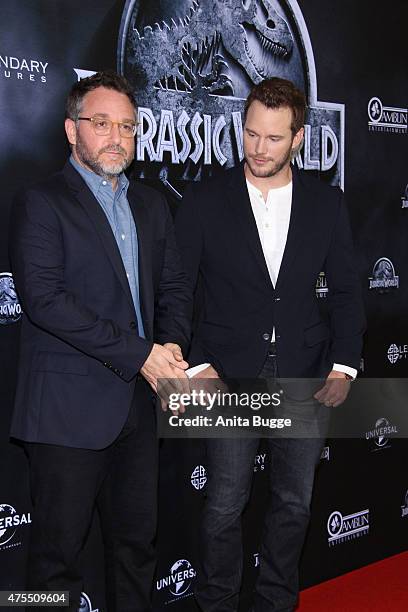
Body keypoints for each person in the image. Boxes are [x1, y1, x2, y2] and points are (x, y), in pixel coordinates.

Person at [175, 77, 365, 612]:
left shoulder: (326, 205)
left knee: (294, 504)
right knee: (223, 505)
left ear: (299, 138)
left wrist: (345, 366)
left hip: (304, 373)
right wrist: (196, 365)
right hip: (229, 375)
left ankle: (277, 602)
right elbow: (178, 289)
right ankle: (217, 603)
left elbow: (348, 291)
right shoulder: (205, 200)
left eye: (274, 139)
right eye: (251, 134)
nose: (258, 149)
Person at [9, 70, 191, 612]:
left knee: (136, 549)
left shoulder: (152, 204)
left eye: (128, 127)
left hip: (140, 407)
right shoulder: (40, 202)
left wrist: (172, 350)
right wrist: (142, 355)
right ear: (72, 130)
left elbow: (174, 286)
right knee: (52, 561)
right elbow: (46, 301)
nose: (117, 137)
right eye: (102, 124)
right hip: (67, 412)